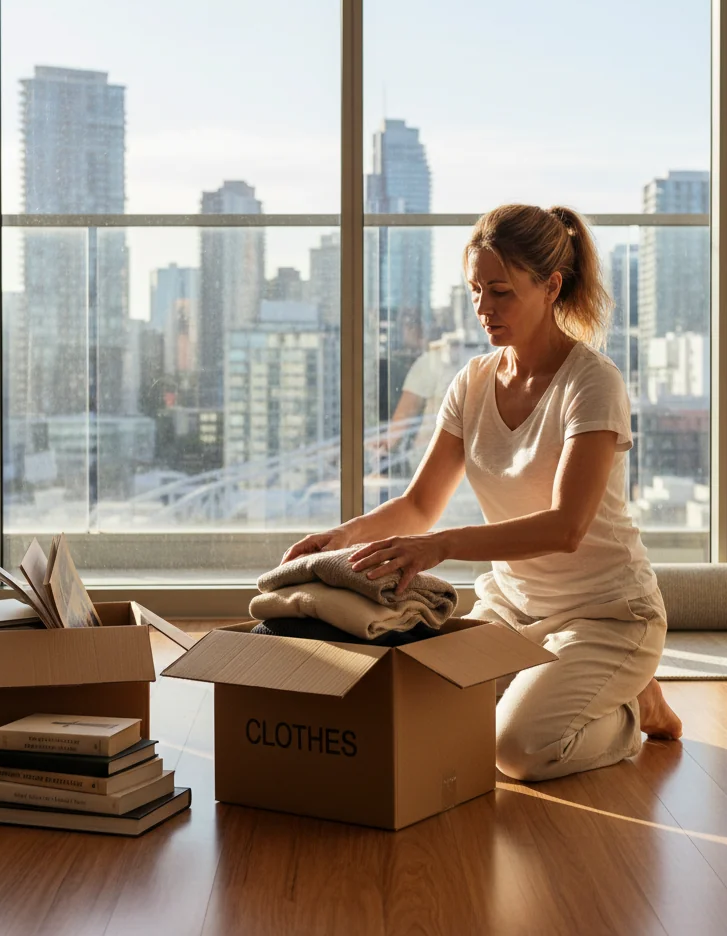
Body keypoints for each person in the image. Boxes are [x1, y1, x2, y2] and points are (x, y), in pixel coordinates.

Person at [283, 203, 682, 782]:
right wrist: (338, 539)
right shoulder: (471, 381)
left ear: (550, 286)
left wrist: (441, 546)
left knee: (517, 751)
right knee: (425, 720)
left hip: (606, 614)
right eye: (475, 290)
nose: (483, 308)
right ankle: (588, 689)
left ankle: (630, 708)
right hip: (514, 610)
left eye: (500, 291)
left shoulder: (592, 383)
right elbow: (420, 505)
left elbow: (566, 528)